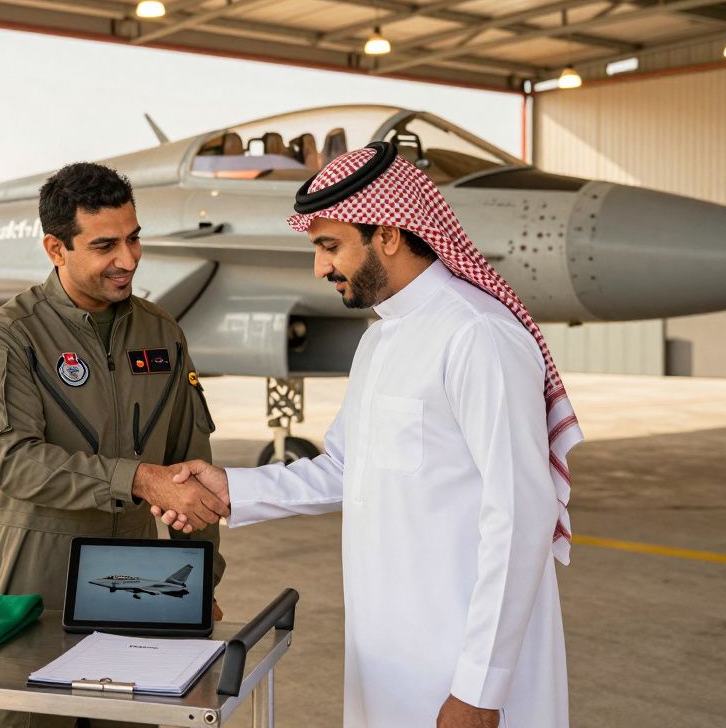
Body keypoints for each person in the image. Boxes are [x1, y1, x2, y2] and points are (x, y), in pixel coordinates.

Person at [154, 142, 583, 728]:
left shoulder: (477, 335)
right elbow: (346, 468)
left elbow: (522, 514)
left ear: (387, 232)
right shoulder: (382, 338)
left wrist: (481, 690)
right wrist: (230, 489)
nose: (320, 267)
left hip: (463, 662)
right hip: (388, 654)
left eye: (330, 246)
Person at [0, 162, 227, 728]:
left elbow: (192, 467)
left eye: (133, 239)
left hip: (136, 583)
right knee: (28, 718)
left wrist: (202, 580)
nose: (127, 260)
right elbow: (17, 465)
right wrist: (134, 478)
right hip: (37, 582)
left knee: (129, 715)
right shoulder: (8, 338)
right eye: (104, 245)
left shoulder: (161, 333)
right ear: (56, 248)